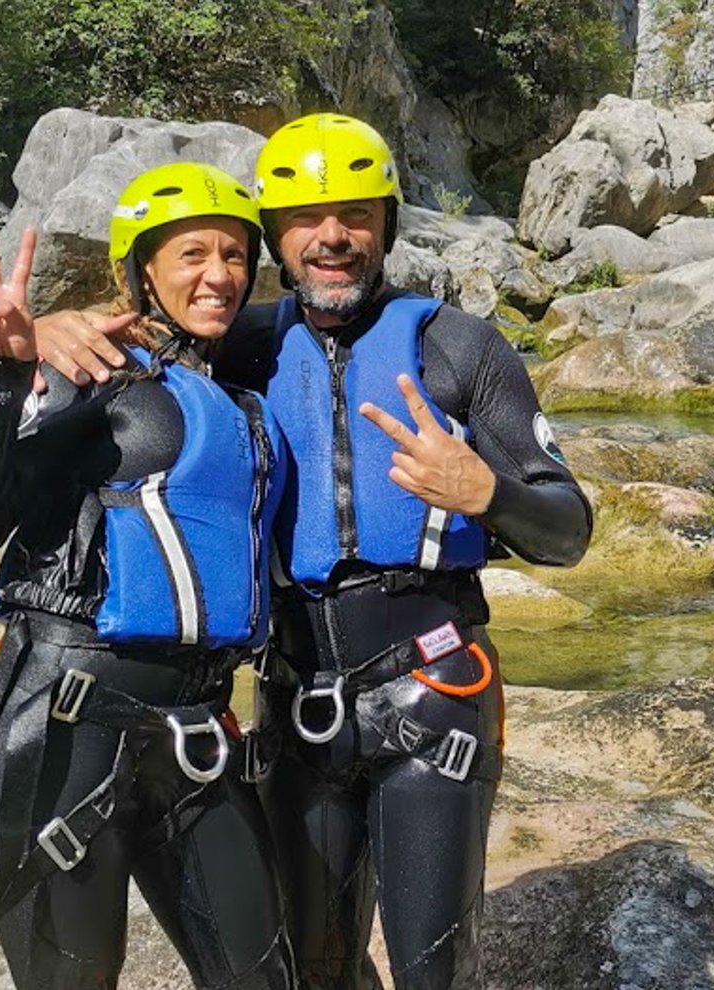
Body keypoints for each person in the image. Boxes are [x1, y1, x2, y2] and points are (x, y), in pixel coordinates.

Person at [31, 113, 593, 990]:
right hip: (295, 709)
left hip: (433, 694)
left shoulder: (460, 345)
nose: (332, 237)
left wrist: (488, 493)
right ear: (275, 240)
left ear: (386, 226)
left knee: (435, 971)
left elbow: (570, 529)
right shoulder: (239, 346)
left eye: (356, 215)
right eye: (304, 219)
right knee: (310, 971)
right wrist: (47, 330)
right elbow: (120, 353)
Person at [0, 163, 294, 990]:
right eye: (193, 254)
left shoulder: (240, 404)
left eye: (236, 255)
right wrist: (0, 379)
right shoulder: (89, 372)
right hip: (61, 725)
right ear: (140, 273)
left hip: (193, 733)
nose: (220, 274)